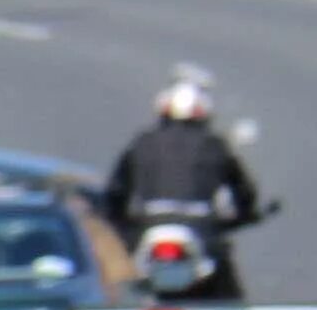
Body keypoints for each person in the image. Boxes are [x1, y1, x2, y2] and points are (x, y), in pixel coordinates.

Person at [103, 78, 262, 296]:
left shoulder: (143, 142)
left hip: (149, 226)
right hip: (199, 227)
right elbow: (243, 190)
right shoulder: (213, 144)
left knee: (131, 282)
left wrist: (123, 224)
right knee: (227, 289)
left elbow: (116, 193)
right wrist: (245, 213)